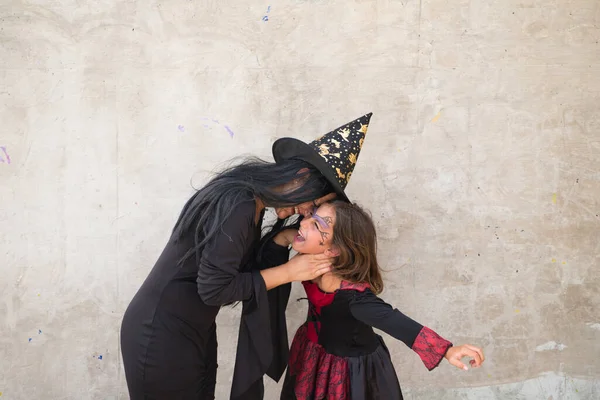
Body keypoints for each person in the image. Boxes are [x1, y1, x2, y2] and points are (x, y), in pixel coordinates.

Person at [120, 113, 374, 399]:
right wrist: (290, 272)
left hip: (194, 330)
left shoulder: (250, 204)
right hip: (161, 335)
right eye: (313, 202)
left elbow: (237, 274)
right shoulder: (239, 203)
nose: (306, 213)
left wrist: (280, 240)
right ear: (301, 177)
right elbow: (214, 288)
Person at [270, 201, 485, 400]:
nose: (305, 221)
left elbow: (392, 320)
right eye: (311, 216)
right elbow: (289, 236)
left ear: (333, 250)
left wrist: (446, 350)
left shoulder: (354, 298)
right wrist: (283, 237)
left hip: (349, 370)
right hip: (312, 353)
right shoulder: (312, 259)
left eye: (316, 224)